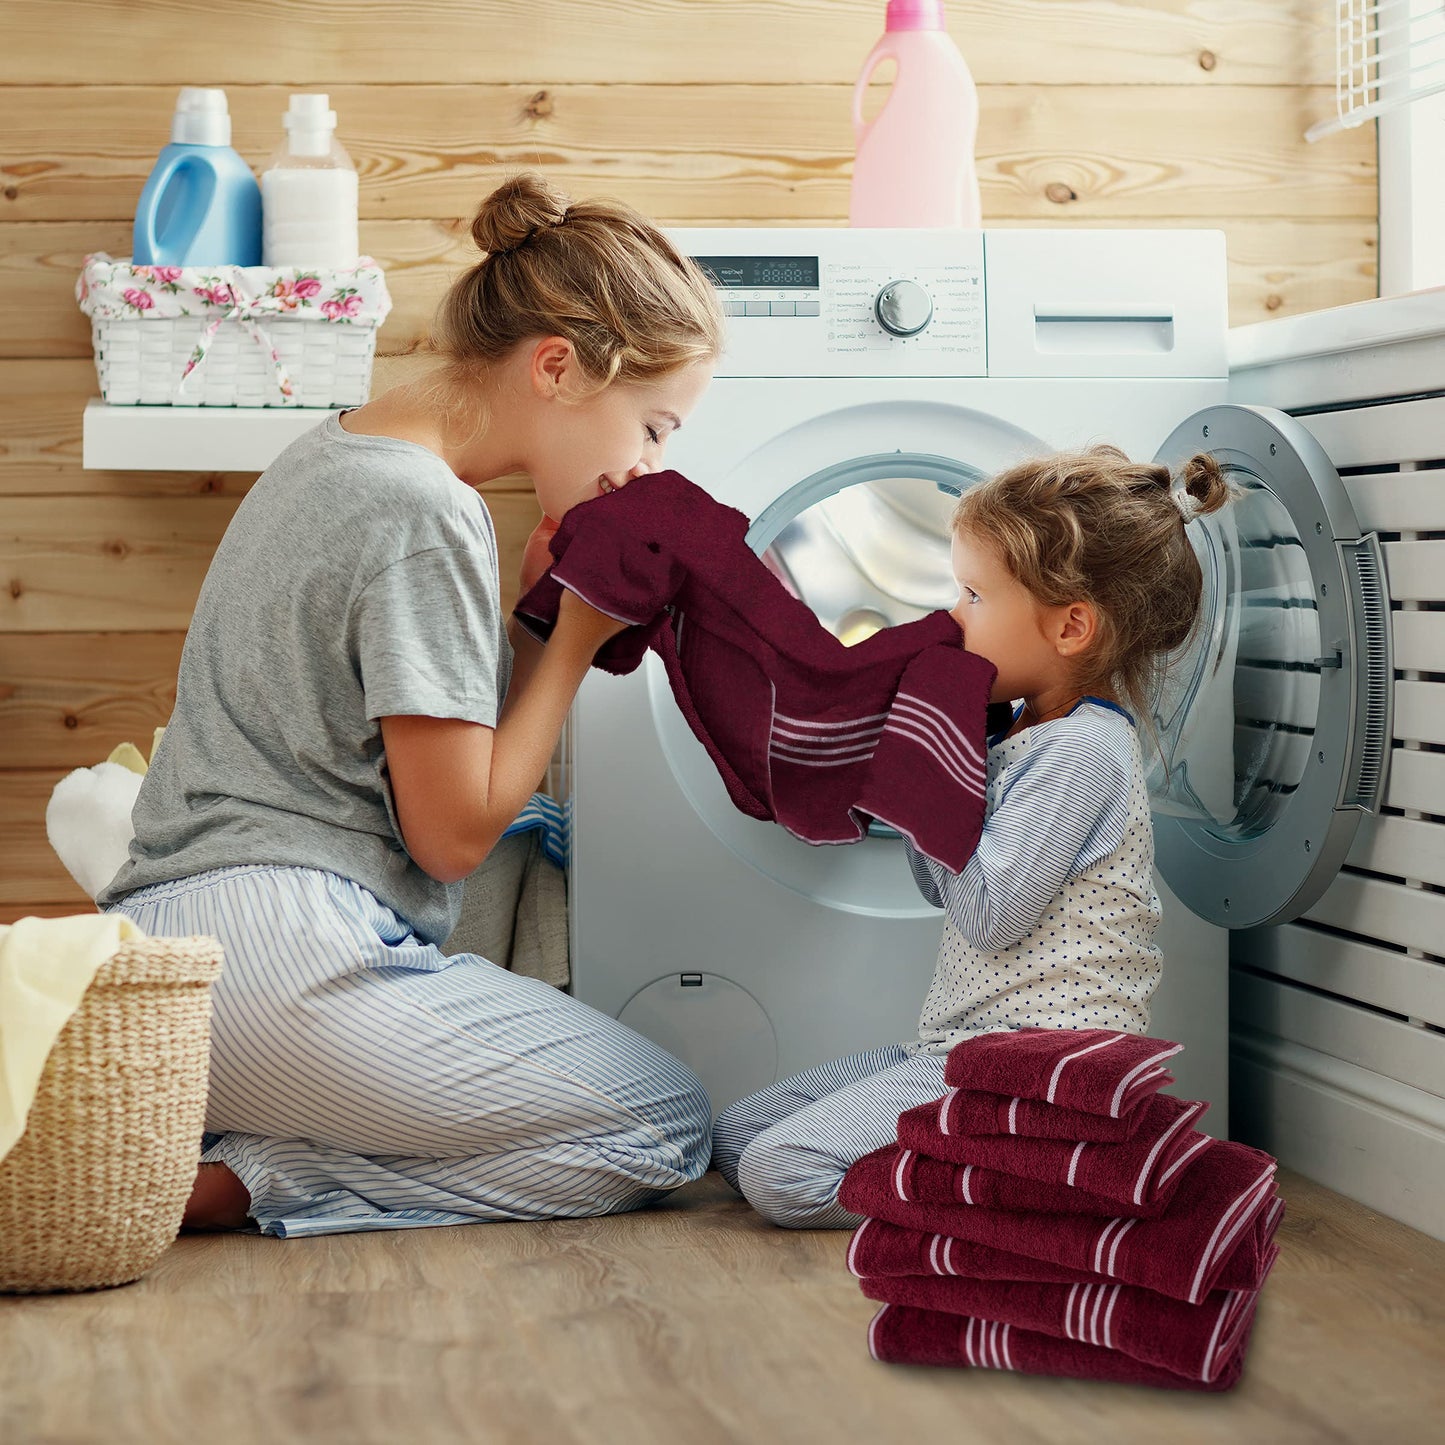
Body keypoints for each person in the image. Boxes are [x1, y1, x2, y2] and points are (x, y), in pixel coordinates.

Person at [98, 173, 725, 1236]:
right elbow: (452, 834)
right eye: (654, 426)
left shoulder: (332, 453)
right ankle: (246, 1180)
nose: (649, 468)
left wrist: (530, 627)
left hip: (158, 964)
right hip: (279, 961)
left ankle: (216, 1153)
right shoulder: (428, 509)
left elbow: (408, 760)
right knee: (667, 1120)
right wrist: (574, 642)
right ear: (557, 367)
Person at [711, 444, 1234, 1228]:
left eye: (974, 595)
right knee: (737, 1134)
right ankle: (1006, 1164)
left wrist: (928, 781)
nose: (952, 615)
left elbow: (990, 914)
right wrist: (934, 756)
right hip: (961, 1050)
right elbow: (941, 888)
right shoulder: (1017, 730)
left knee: (779, 1173)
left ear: (1070, 626)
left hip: (1041, 1070)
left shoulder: (1081, 752)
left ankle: (1053, 1180)